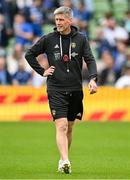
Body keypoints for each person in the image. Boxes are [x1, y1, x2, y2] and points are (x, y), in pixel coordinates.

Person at [25, 6, 98, 174]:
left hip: (75, 88)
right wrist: (42, 71)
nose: (58, 23)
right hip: (56, 88)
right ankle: (65, 161)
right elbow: (29, 54)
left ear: (69, 21)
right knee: (62, 125)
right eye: (56, 20)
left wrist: (93, 78)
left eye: (61, 20)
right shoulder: (48, 39)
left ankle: (63, 158)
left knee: (70, 126)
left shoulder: (81, 39)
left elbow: (90, 59)